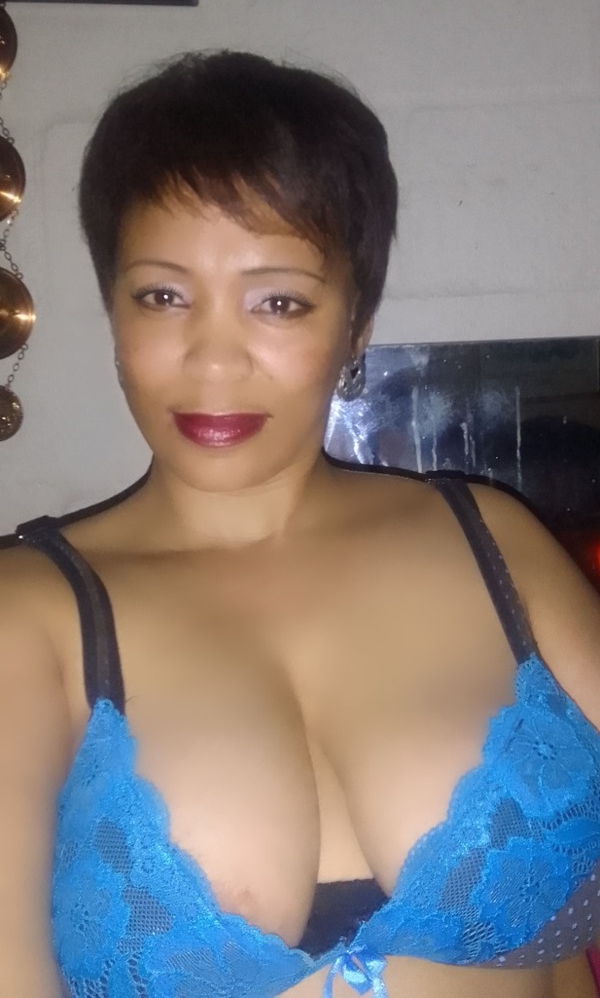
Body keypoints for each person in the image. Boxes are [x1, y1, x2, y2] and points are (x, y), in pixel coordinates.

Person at [1, 50, 600, 998]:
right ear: (113, 310)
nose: (214, 360)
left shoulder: (491, 541)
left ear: (355, 323)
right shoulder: (26, 612)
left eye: (277, 301)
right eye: (163, 296)